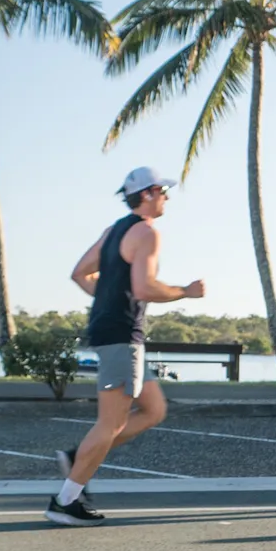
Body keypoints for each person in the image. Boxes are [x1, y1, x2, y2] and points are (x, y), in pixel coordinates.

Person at [46, 167, 205, 525]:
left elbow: (80, 273)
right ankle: (65, 500)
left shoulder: (112, 231)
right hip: (121, 335)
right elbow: (146, 287)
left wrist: (107, 301)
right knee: (111, 423)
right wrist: (186, 292)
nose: (166, 197)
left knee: (153, 410)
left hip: (112, 331)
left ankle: (78, 457)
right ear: (148, 194)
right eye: (163, 191)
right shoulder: (147, 232)